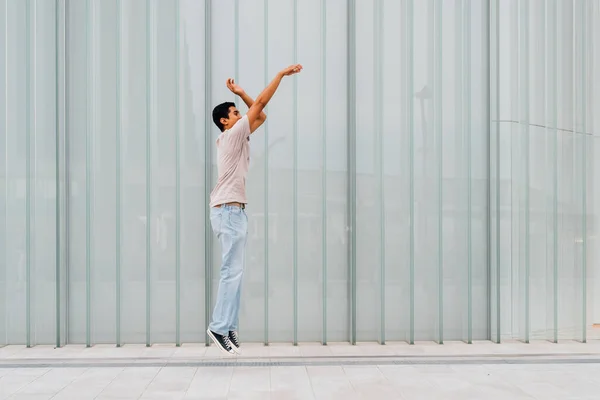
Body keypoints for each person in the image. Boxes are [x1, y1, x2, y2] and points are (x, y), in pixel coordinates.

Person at [207, 64, 303, 355]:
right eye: (235, 113)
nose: (240, 115)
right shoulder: (232, 135)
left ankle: (229, 326)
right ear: (225, 121)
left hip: (234, 211)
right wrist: (280, 75)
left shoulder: (237, 134)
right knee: (230, 272)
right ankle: (218, 326)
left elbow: (260, 115)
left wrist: (241, 93)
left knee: (236, 272)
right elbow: (261, 105)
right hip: (227, 211)